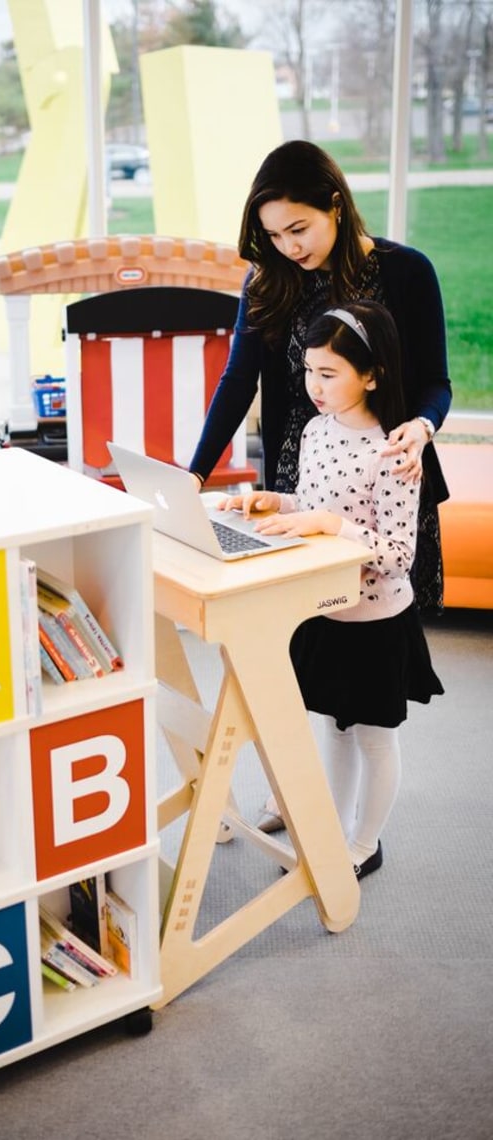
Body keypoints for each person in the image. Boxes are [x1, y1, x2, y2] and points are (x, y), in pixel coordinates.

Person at [187, 139, 451, 833]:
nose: (287, 246)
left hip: (387, 473)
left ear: (336, 202)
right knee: (296, 651)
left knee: (367, 652)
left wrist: (422, 427)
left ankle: (360, 821)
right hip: (300, 483)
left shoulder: (404, 272)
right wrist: (194, 470)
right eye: (272, 235)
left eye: (297, 229)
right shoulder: (269, 279)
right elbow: (236, 380)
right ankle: (295, 793)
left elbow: (436, 381)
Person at [217, 300, 444, 877]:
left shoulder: (396, 453)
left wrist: (329, 525)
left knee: (373, 739)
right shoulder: (317, 430)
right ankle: (328, 836)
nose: (313, 386)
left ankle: (365, 844)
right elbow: (316, 506)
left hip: (375, 622)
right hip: (322, 610)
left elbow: (398, 556)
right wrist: (278, 502)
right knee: (333, 730)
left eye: (329, 373)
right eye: (309, 371)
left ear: (371, 374)